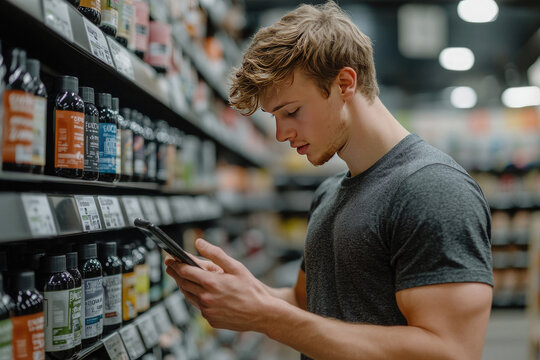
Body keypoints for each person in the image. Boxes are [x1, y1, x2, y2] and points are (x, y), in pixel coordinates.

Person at [165, 2, 494, 359]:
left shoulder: (432, 189)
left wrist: (267, 315)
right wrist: (244, 293)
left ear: (344, 83)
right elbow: (310, 306)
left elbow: (451, 350)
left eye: (291, 111)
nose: (280, 134)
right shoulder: (329, 193)